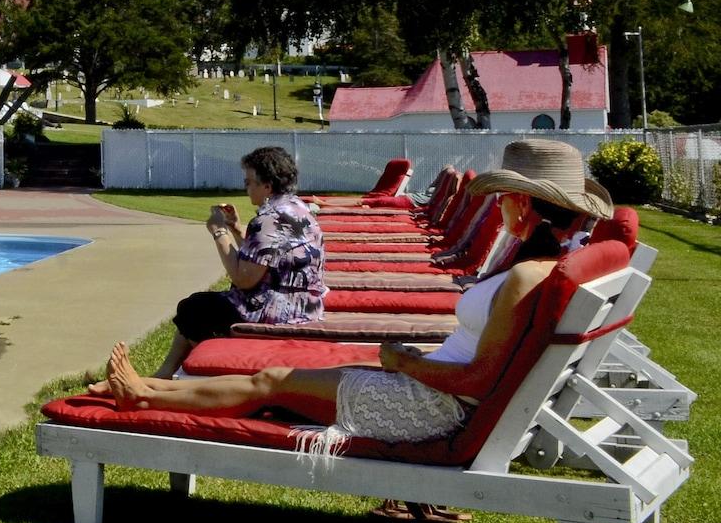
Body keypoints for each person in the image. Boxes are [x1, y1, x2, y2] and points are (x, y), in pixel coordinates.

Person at [87, 140, 615, 464]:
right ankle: (151, 386)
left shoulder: (525, 276)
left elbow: (479, 381)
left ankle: (144, 397)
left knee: (273, 385)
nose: (498, 208)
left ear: (520, 203)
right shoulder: (543, 268)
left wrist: (404, 362)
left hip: (430, 410)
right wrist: (411, 363)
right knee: (277, 381)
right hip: (430, 393)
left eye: (502, 199)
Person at [154, 145, 325, 379]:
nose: (246, 188)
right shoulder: (298, 209)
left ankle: (218, 371)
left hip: (279, 310)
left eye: (249, 182)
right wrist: (235, 226)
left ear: (267, 185)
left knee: (193, 308)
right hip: (307, 305)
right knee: (201, 306)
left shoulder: (268, 219)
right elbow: (268, 251)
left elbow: (243, 278)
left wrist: (218, 232)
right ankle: (166, 371)